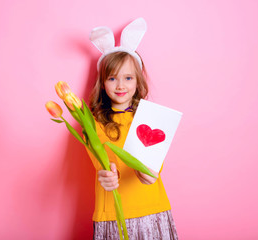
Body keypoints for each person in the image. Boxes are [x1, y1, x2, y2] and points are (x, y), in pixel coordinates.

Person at [86, 18, 178, 239]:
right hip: (113, 214)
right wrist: (106, 176)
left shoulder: (150, 117)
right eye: (112, 78)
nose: (120, 85)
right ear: (102, 82)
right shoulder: (93, 124)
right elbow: (101, 164)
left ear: (137, 81)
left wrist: (151, 172)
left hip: (152, 208)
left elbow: (155, 160)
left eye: (128, 78)